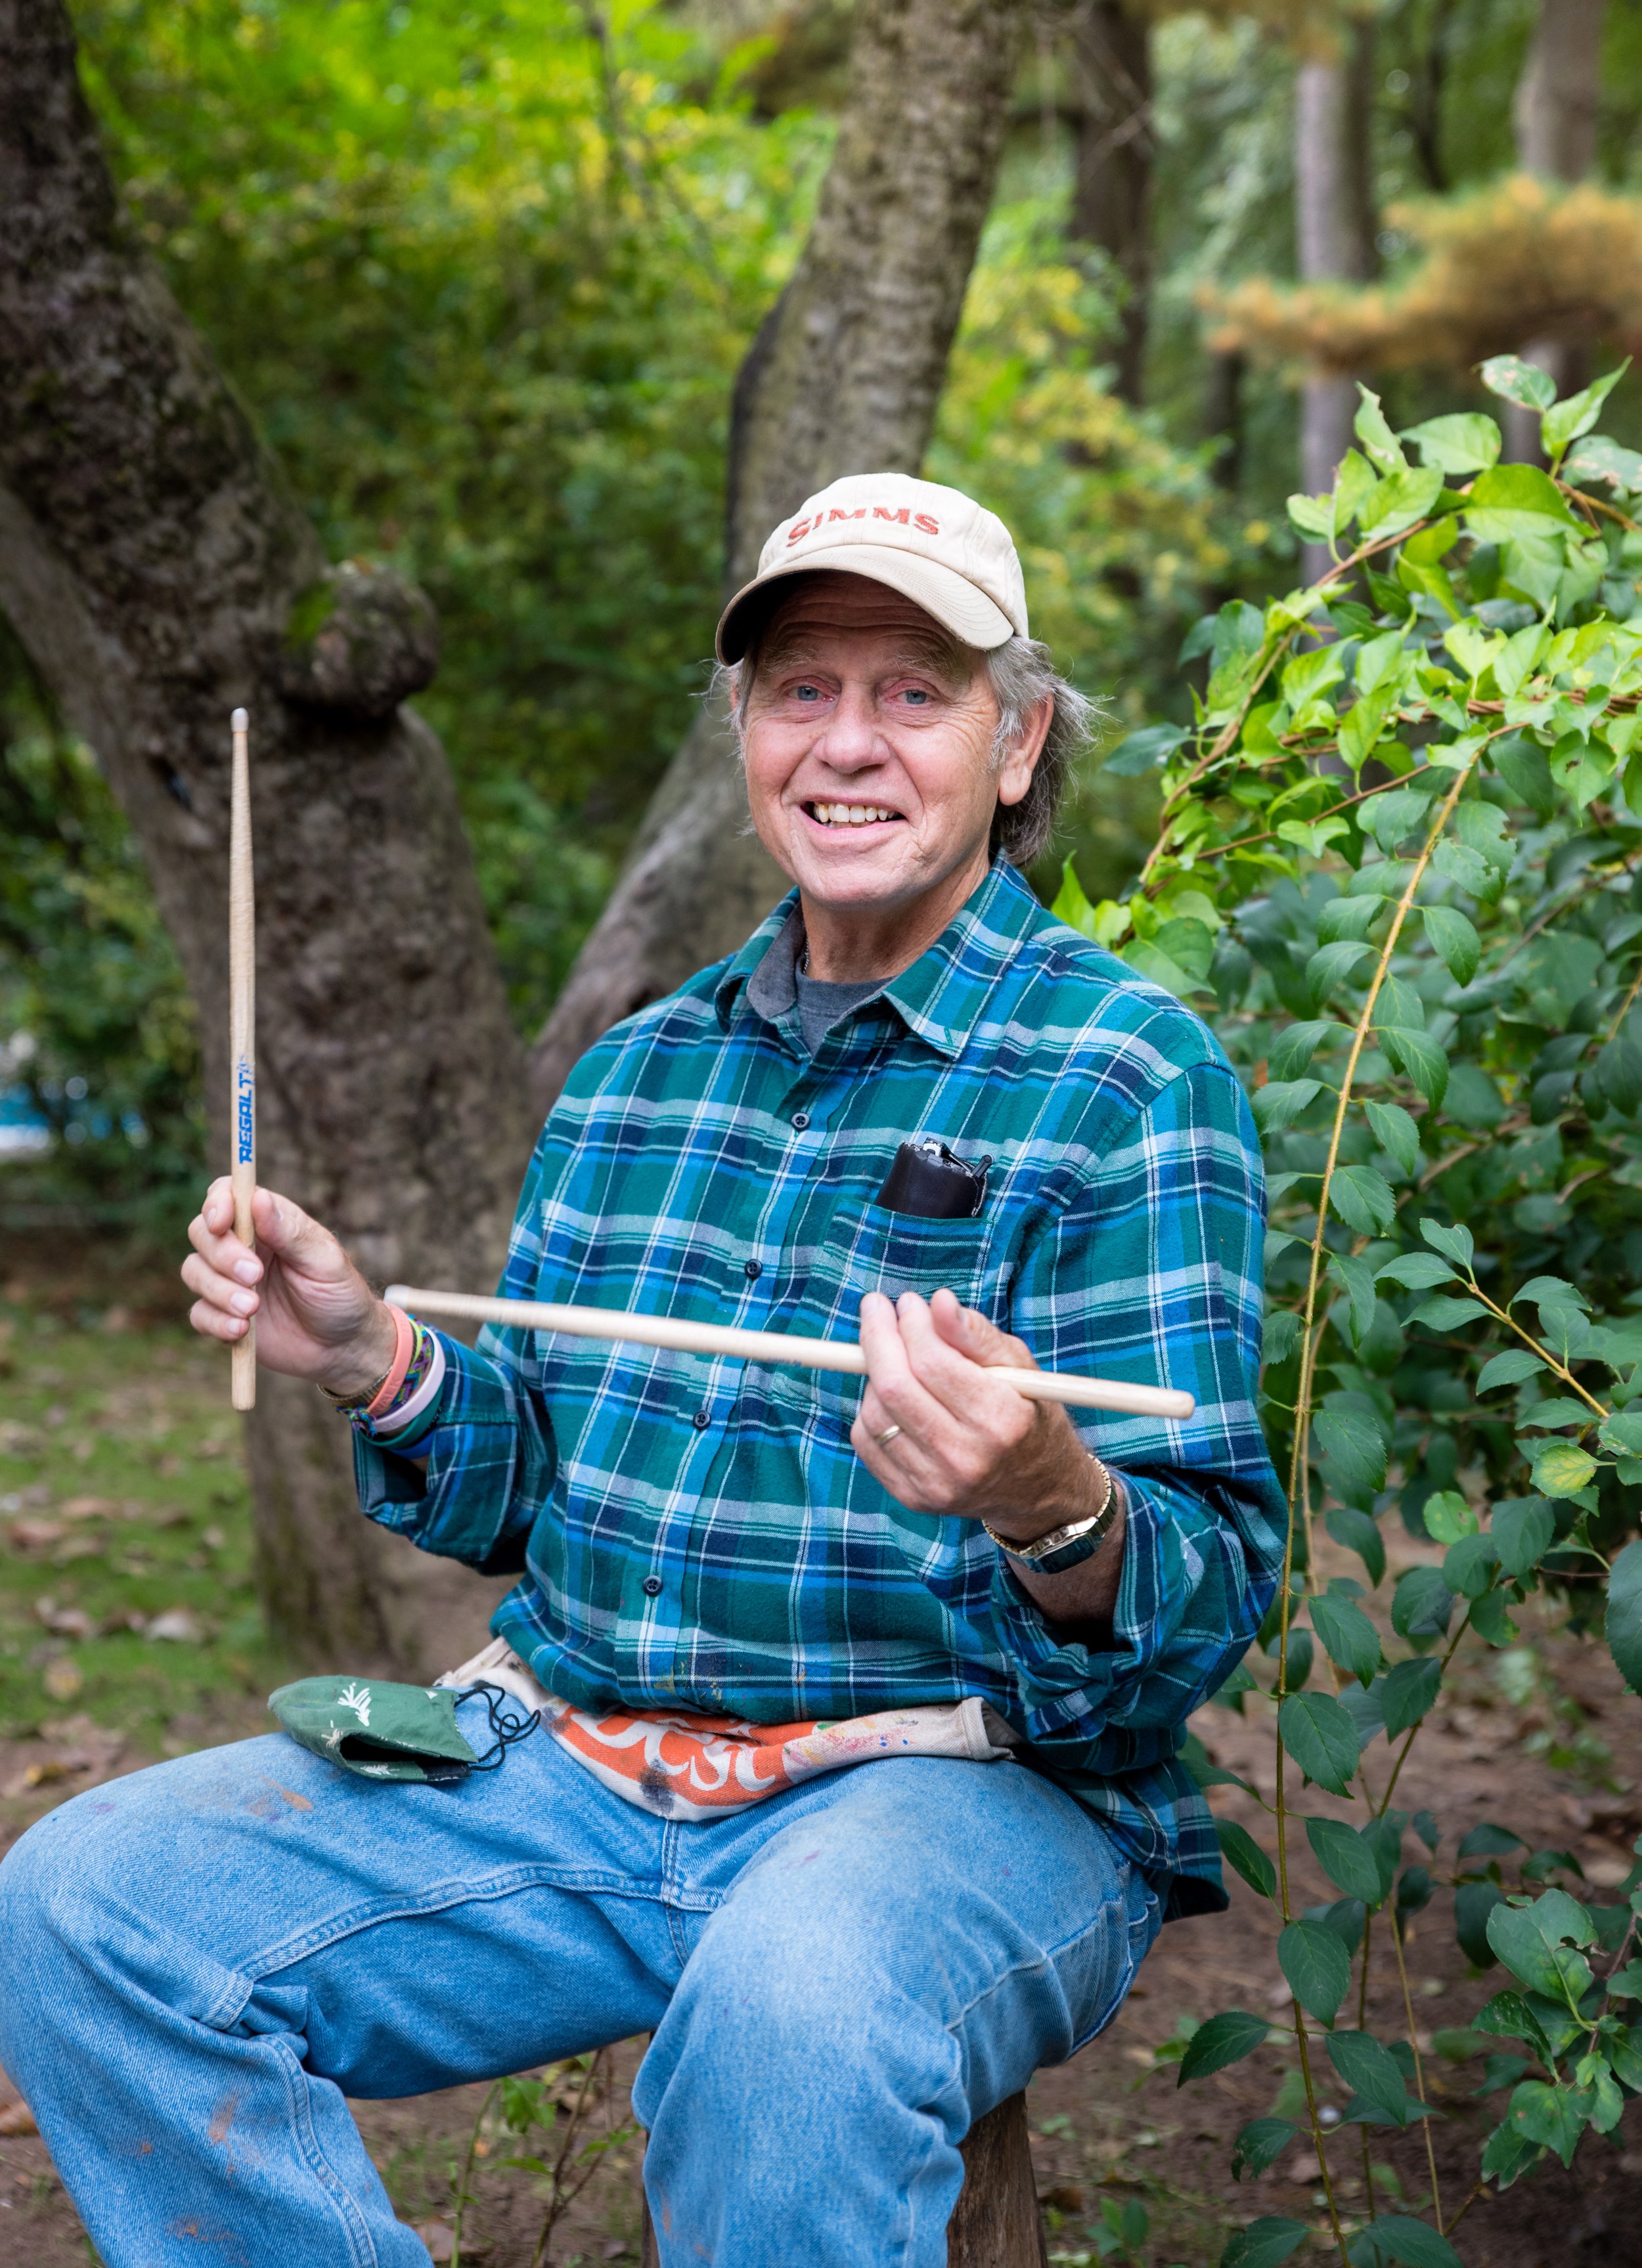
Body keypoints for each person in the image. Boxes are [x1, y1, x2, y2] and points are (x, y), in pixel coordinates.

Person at [0, 473, 1284, 2267]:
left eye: (914, 693)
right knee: (86, 1909)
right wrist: (377, 1361)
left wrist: (1050, 1503)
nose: (848, 744)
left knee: (794, 2014)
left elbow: (1206, 1596)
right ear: (748, 736)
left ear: (1018, 744)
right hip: (577, 1772)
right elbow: (544, 1486)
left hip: (951, 1790)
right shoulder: (638, 1073)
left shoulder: (1125, 1078)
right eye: (799, 692)